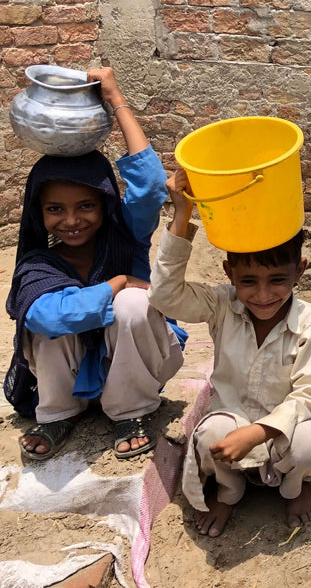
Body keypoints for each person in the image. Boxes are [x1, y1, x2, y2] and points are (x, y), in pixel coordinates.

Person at [5, 67, 185, 461]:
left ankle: (131, 411)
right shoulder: (40, 264)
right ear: (40, 214)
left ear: (104, 204)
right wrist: (119, 281)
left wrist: (115, 98)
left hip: (136, 365)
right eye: (56, 209)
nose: (71, 221)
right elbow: (50, 319)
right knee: (49, 317)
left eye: (85, 206)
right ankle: (59, 413)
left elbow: (151, 186)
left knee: (134, 307)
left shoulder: (127, 235)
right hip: (69, 372)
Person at [149, 171, 311, 537]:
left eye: (277, 280)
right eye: (248, 281)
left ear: (299, 271)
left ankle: (296, 487)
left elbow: (309, 396)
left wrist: (258, 433)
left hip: (285, 435)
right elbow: (163, 296)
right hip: (231, 431)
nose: (263, 295)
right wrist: (182, 214)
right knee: (212, 430)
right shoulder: (219, 304)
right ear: (229, 273)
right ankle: (230, 492)